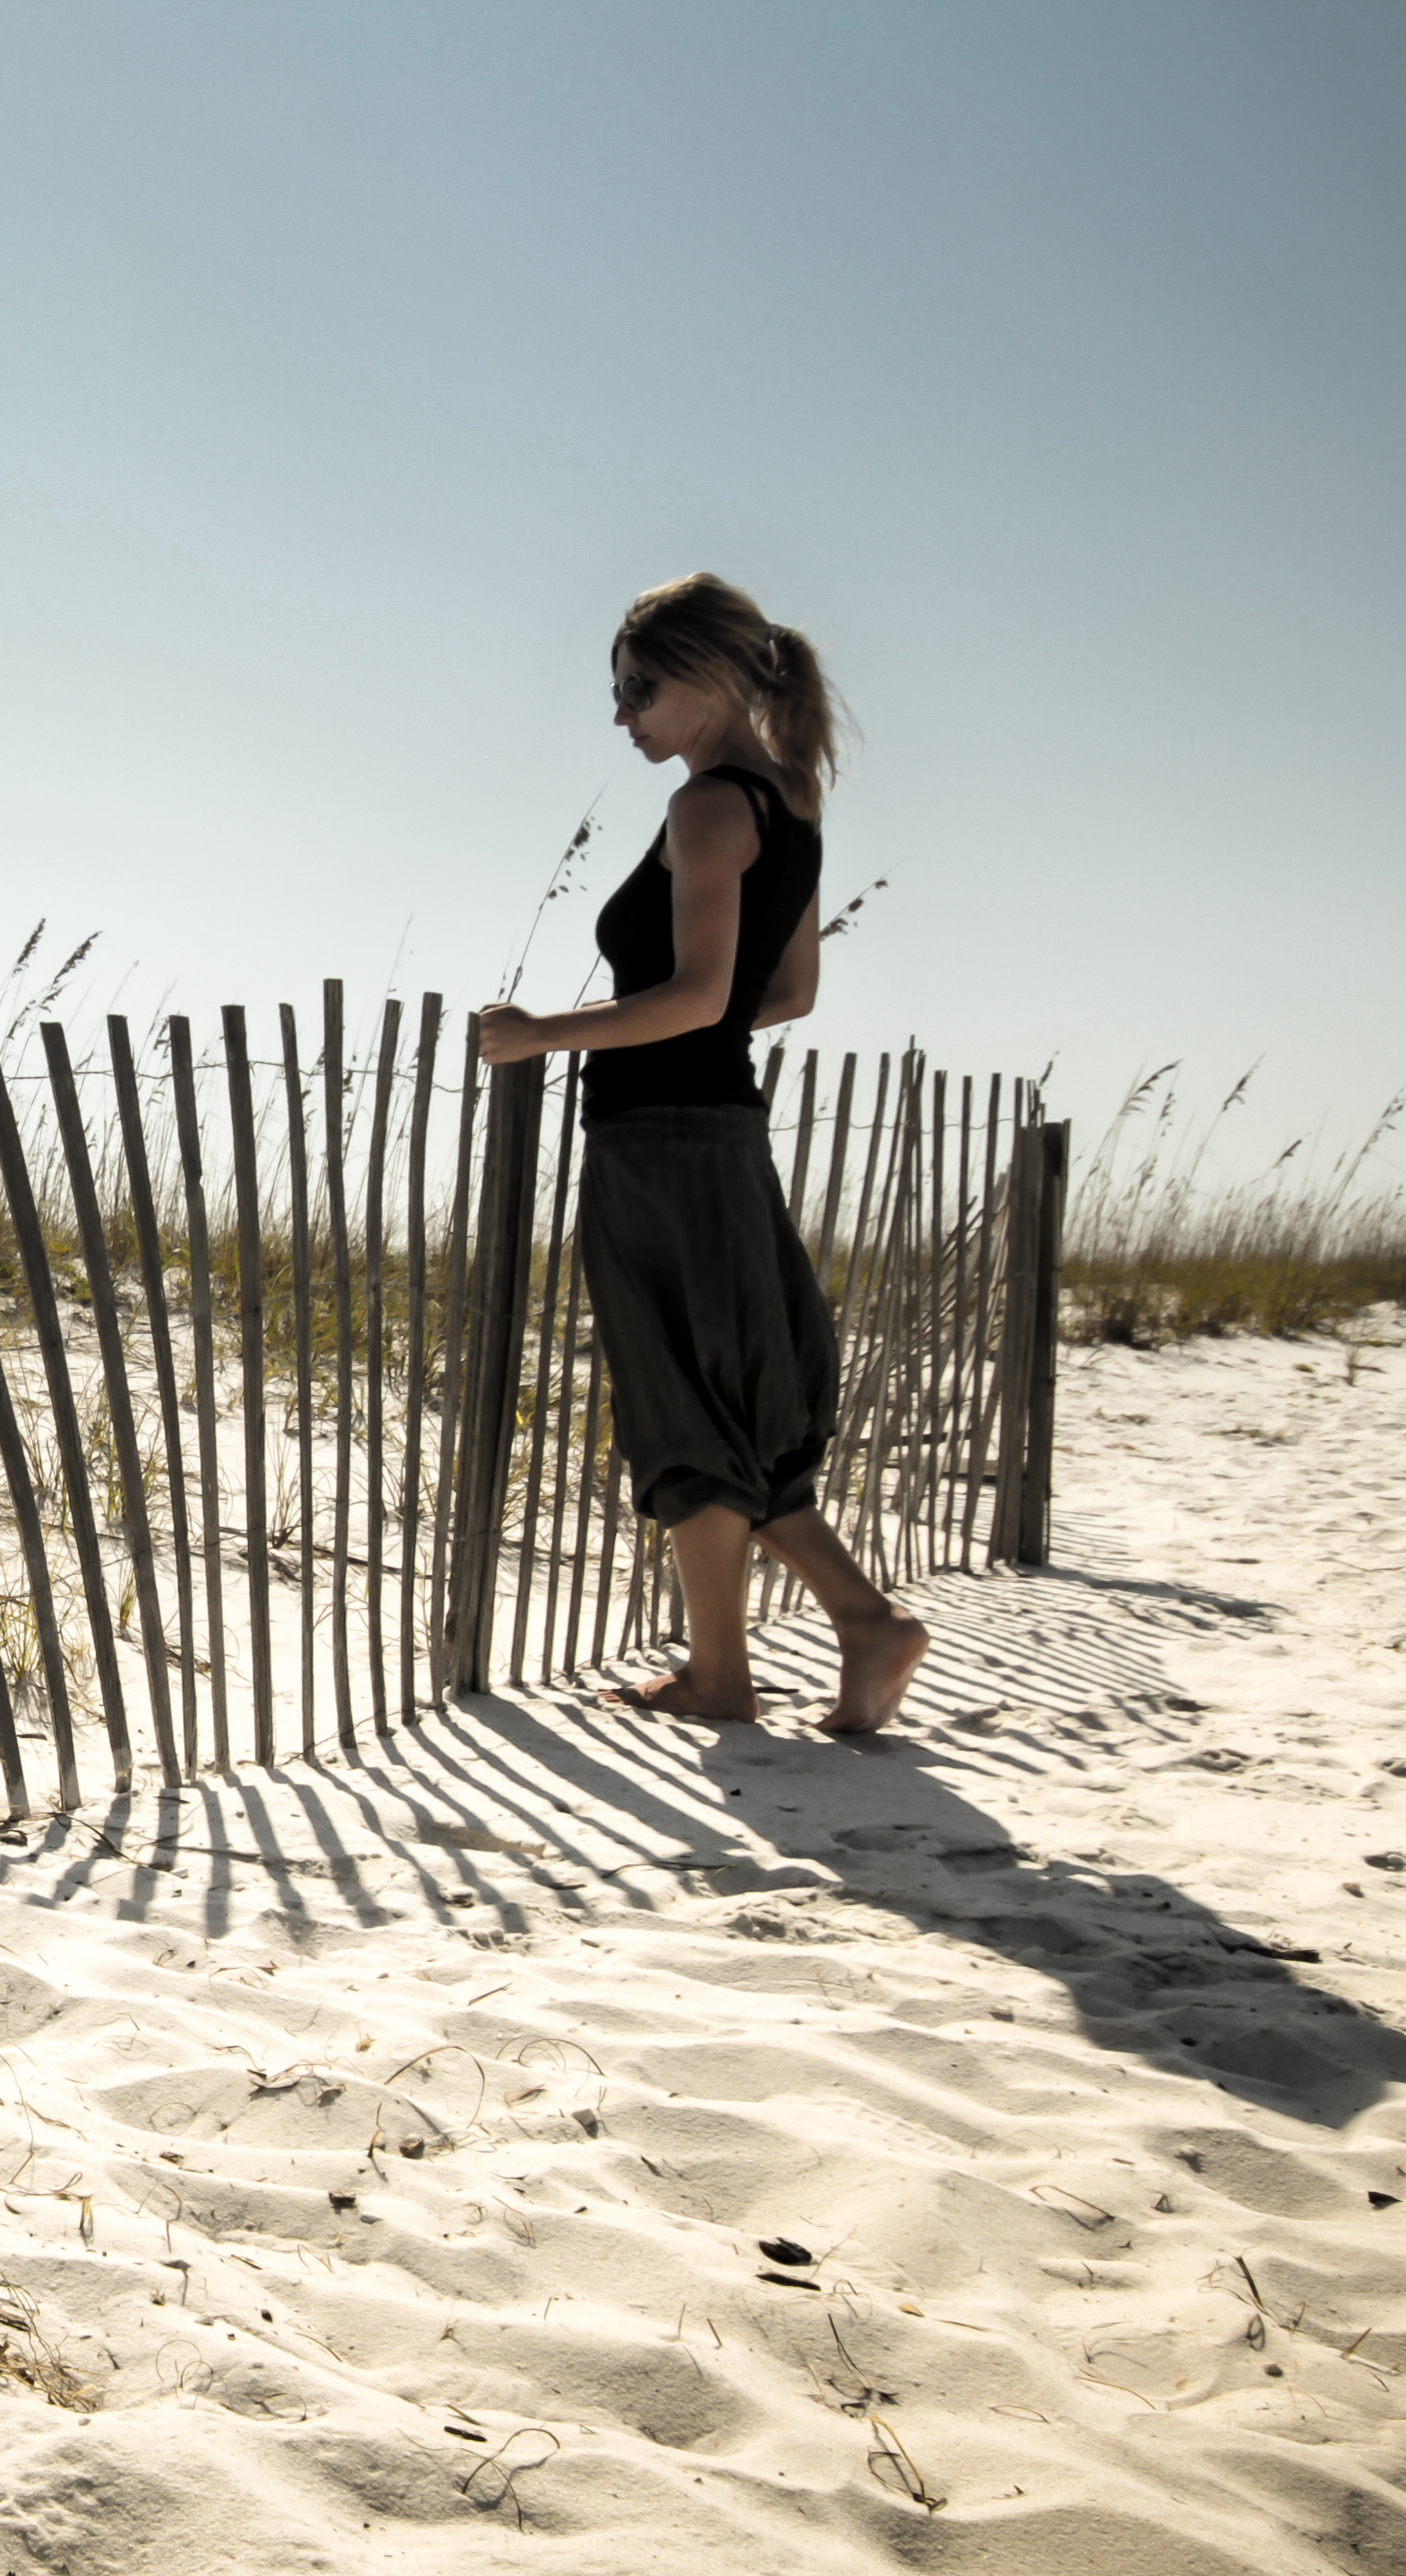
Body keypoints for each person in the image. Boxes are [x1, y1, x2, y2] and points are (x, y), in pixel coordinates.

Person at [469, 574, 925, 1734]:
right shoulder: (792, 805)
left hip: (662, 1139)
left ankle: (784, 1651)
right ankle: (791, 1648)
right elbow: (788, 996)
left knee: (682, 1394)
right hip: (715, 1132)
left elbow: (703, 995)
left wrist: (543, 1037)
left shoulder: (710, 808)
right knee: (716, 1396)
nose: (624, 715)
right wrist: (684, 1023)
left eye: (639, 689)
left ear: (711, 677)